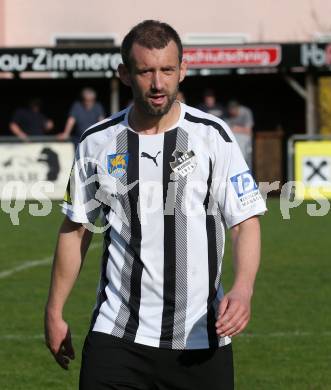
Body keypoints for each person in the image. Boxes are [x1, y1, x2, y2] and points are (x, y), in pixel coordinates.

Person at [45, 20, 266, 390]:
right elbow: (75, 228)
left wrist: (243, 288)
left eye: (167, 69)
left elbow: (245, 222)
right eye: (145, 71)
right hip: (117, 338)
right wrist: (53, 311)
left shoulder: (213, 136)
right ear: (125, 74)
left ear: (183, 69)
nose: (158, 83)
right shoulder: (97, 142)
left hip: (200, 339)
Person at [226, 100, 254, 169]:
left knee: (246, 163)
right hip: (234, 143)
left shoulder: (246, 112)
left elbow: (249, 131)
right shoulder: (227, 115)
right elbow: (226, 131)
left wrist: (236, 128)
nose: (232, 111)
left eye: (234, 109)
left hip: (245, 142)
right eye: (230, 109)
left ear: (238, 108)